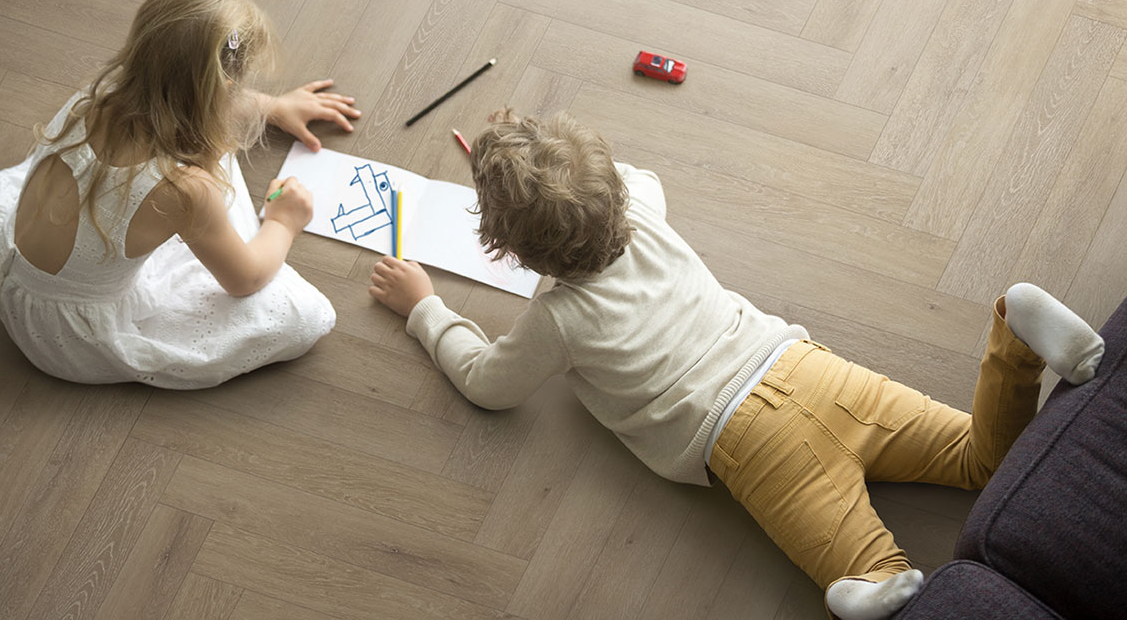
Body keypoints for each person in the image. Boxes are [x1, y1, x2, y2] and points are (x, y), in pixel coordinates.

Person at [368, 109, 1105, 620]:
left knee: (853, 552)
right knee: (982, 459)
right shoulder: (645, 209)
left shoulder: (558, 318)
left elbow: (488, 385)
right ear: (613, 194)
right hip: (811, 370)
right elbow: (624, 176)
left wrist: (426, 309)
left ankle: (871, 580)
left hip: (746, 439)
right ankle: (1013, 332)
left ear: (513, 253)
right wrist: (533, 154)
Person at [0, 0, 361, 389]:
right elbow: (245, 279)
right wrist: (282, 222)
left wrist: (271, 106)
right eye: (237, 91)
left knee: (64, 181)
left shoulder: (99, 97)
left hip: (6, 264)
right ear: (222, 90)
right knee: (303, 315)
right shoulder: (185, 190)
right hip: (61, 334)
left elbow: (186, 94)